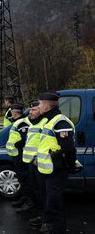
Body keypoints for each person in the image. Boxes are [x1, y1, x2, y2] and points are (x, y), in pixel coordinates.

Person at [37, 92, 82, 234]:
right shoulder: (49, 121)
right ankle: (51, 226)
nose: (38, 106)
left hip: (57, 171)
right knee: (51, 203)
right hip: (48, 171)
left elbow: (69, 148)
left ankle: (58, 229)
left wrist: (69, 165)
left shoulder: (60, 122)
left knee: (55, 206)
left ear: (46, 105)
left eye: (39, 103)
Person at [23, 100, 48, 228]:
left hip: (40, 164)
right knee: (36, 191)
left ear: (41, 110)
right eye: (30, 110)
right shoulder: (33, 123)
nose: (30, 112)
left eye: (34, 110)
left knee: (43, 193)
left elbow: (46, 144)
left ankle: (45, 221)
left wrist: (36, 159)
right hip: (31, 163)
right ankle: (40, 216)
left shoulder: (45, 123)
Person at [5, 103, 33, 212]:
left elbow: (25, 138)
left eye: (11, 111)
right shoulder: (18, 122)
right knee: (22, 178)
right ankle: (24, 198)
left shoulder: (22, 123)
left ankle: (29, 202)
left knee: (25, 179)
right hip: (16, 155)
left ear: (14, 112)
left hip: (21, 155)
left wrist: (17, 145)